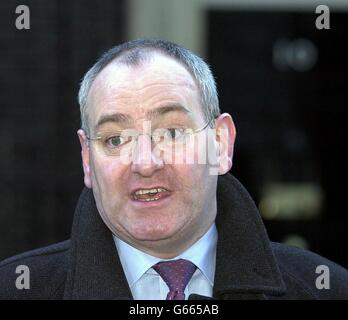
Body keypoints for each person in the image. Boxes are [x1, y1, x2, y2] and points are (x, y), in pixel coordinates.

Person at [0, 38, 347, 300]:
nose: (146, 163)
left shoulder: (326, 289)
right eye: (115, 140)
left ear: (221, 144)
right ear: (88, 160)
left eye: (172, 133)